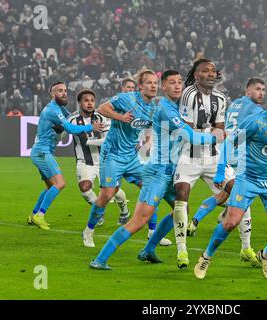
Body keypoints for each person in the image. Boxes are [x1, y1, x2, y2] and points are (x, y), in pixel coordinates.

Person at [89, 70, 222, 270]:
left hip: (172, 171)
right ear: (164, 87)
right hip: (158, 171)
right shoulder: (166, 109)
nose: (177, 86)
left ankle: (148, 251)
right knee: (139, 220)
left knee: (182, 210)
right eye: (172, 83)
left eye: (179, 82)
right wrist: (215, 137)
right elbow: (192, 137)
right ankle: (100, 259)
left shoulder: (182, 107)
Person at [193, 80, 267, 281]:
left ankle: (265, 255)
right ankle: (206, 257)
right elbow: (230, 143)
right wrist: (220, 172)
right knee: (230, 222)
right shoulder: (257, 122)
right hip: (248, 178)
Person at [81, 70, 165, 248]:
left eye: (155, 83)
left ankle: (152, 231)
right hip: (113, 154)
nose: (153, 86)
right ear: (141, 86)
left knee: (151, 188)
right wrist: (121, 117)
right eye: (149, 83)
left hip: (132, 157)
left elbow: (150, 125)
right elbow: (102, 108)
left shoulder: (152, 107)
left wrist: (148, 139)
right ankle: (88, 231)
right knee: (107, 195)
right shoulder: (128, 99)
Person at [171, 58, 234, 269]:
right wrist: (211, 132)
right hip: (189, 157)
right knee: (181, 194)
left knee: (237, 191)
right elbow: (189, 133)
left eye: (213, 71)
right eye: (205, 71)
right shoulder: (188, 94)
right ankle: (182, 251)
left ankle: (246, 248)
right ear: (197, 75)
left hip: (214, 157)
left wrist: (213, 133)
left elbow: (221, 132)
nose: (210, 74)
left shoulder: (220, 99)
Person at [28, 82, 104, 230]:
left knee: (50, 186)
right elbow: (69, 128)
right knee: (60, 183)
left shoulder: (60, 109)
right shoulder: (52, 110)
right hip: (42, 152)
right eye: (60, 91)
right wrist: (90, 127)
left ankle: (33, 215)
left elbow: (71, 118)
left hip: (42, 152)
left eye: (65, 91)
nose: (64, 93)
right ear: (52, 94)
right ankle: (40, 215)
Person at [67, 89, 130, 227]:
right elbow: (66, 131)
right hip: (85, 162)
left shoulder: (102, 117)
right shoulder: (72, 119)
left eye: (92, 100)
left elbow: (106, 141)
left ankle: (124, 211)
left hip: (104, 161)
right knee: (84, 188)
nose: (90, 103)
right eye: (86, 100)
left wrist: (89, 140)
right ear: (79, 103)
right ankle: (99, 211)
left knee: (115, 191)